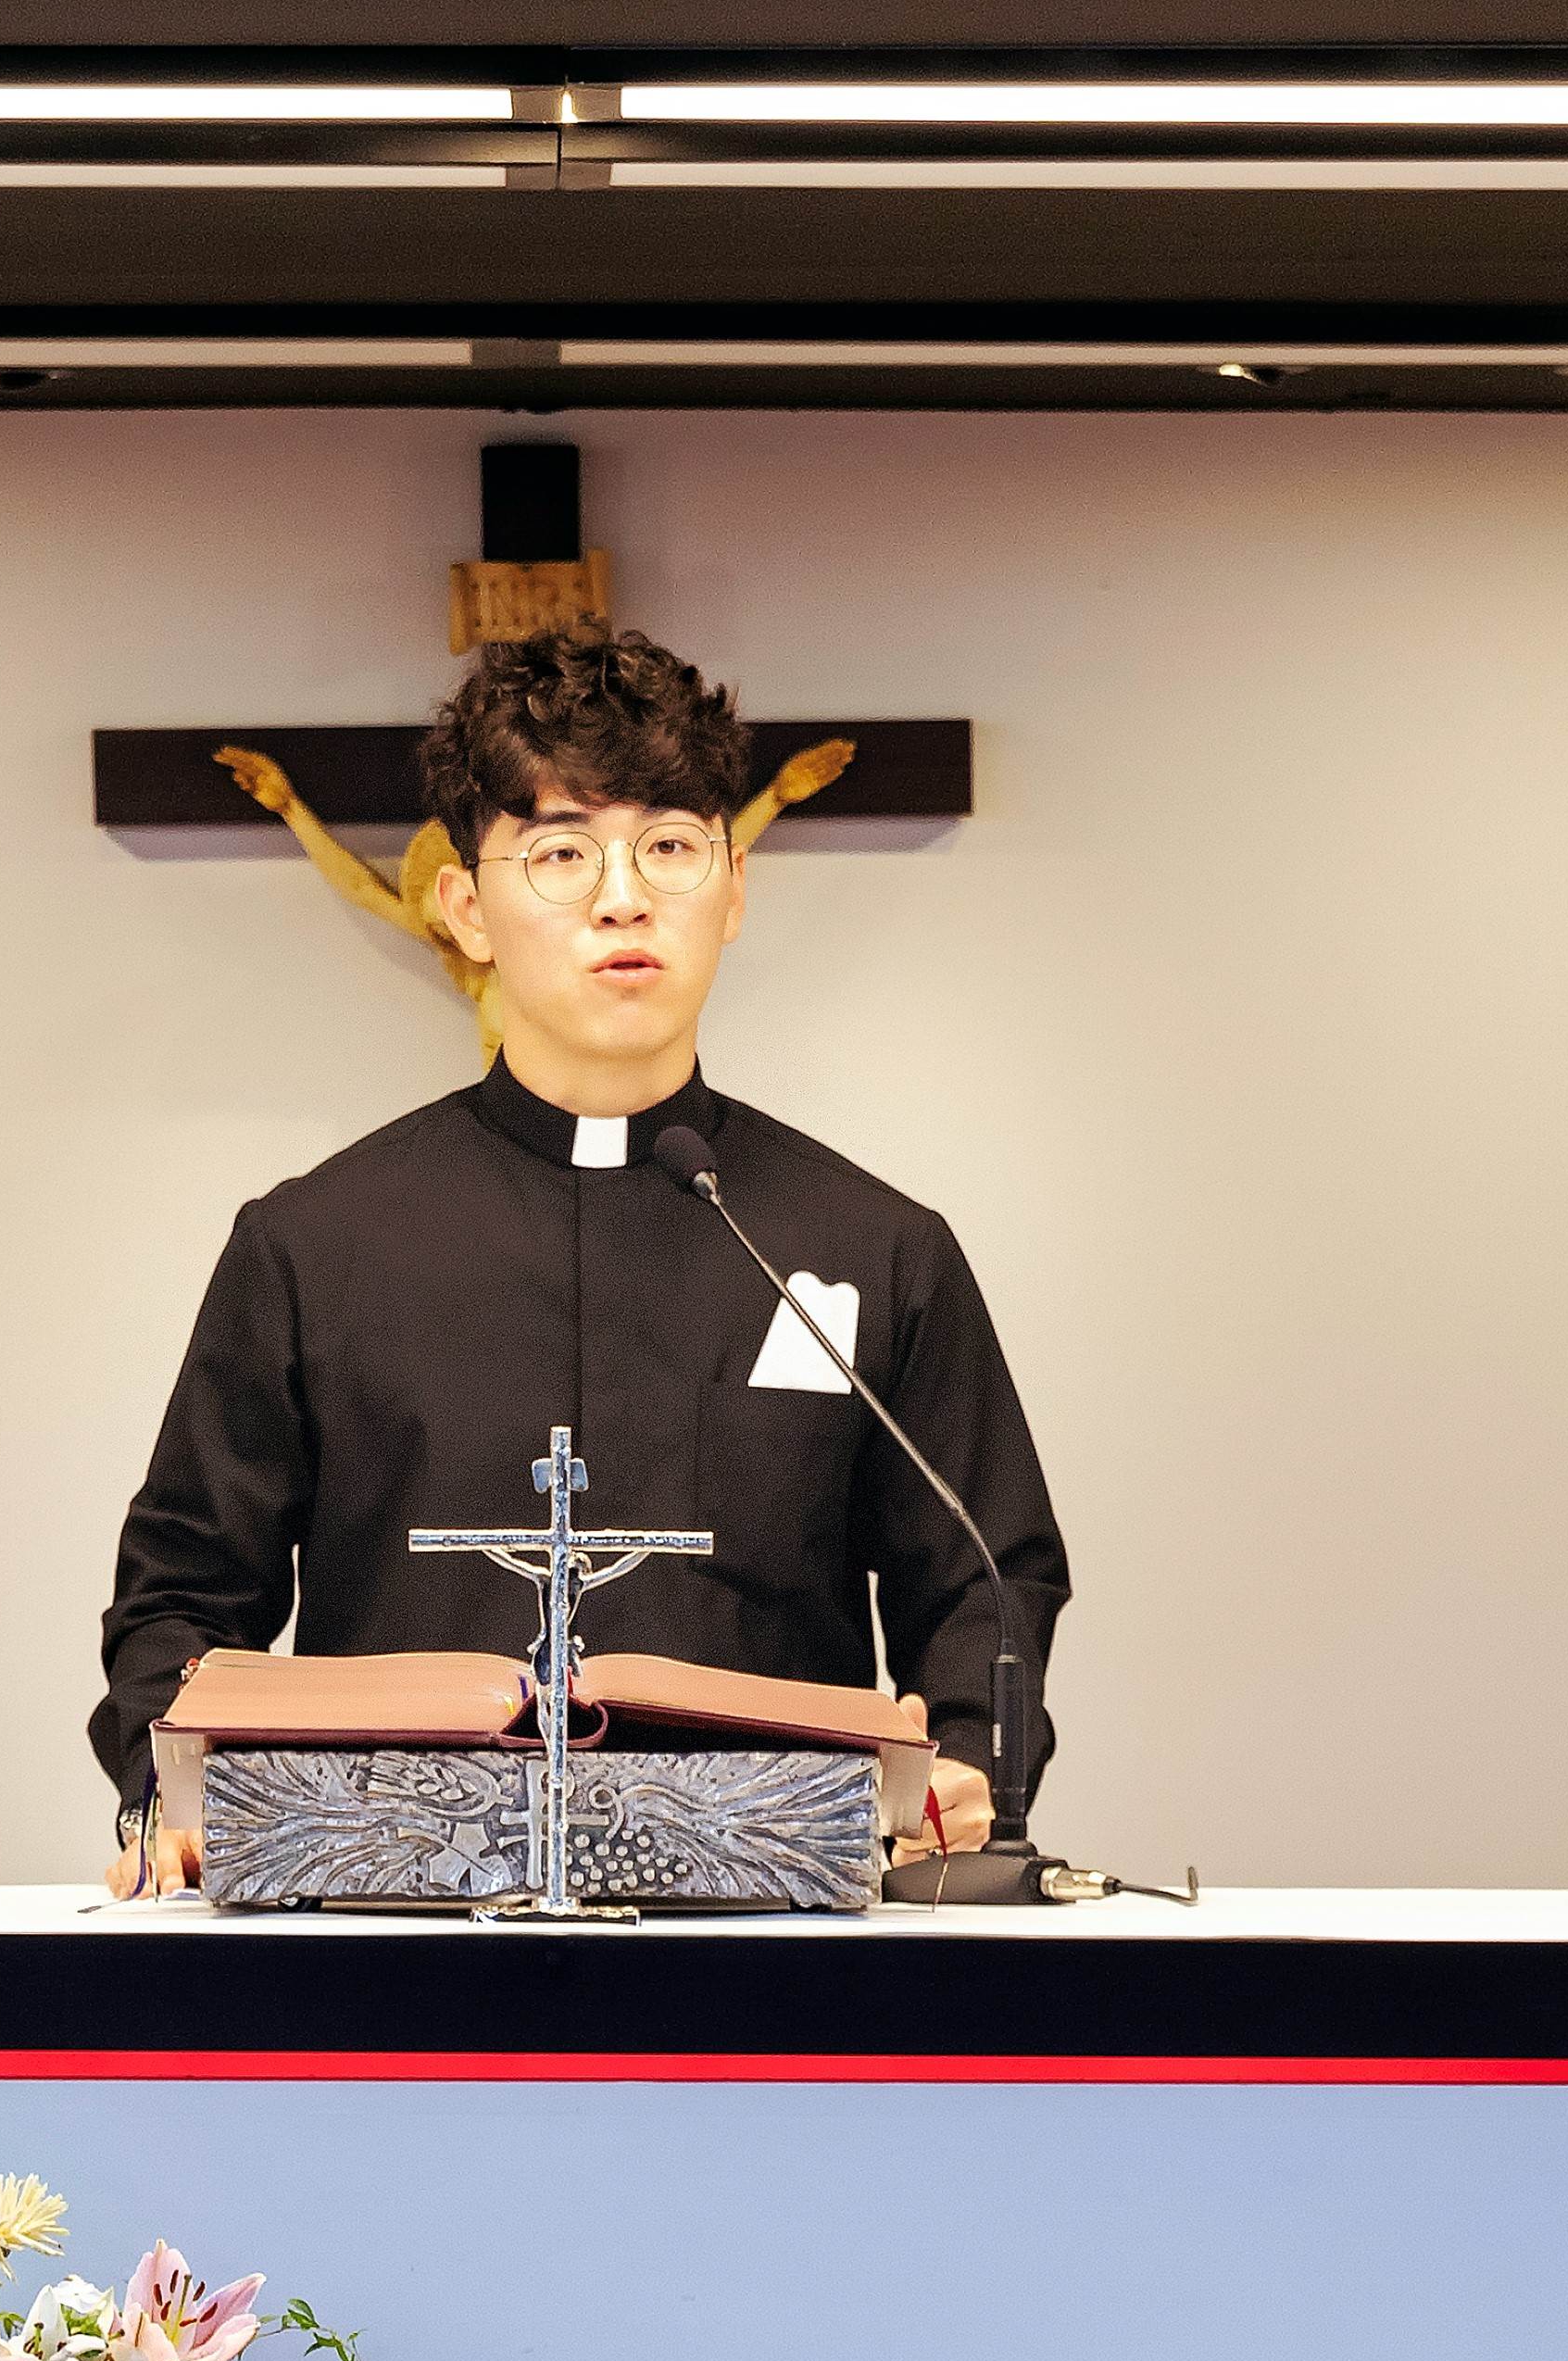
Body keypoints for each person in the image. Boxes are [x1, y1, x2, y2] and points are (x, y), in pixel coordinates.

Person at [95, 629, 1072, 1893]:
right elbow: (181, 1595)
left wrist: (967, 1763)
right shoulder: (312, 1243)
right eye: (560, 853)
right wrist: (171, 1792)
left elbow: (989, 1577)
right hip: (384, 1927)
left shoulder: (871, 1246)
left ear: (732, 890)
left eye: (669, 846)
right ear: (465, 909)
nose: (624, 897)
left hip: (779, 1931)